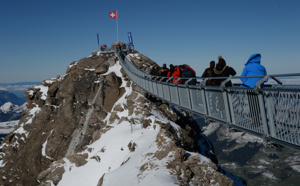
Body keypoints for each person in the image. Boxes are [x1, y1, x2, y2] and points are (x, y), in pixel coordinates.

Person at [241, 53, 267, 126]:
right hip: (260, 88)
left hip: (249, 88)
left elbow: (241, 77)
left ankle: (255, 121)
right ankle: (259, 119)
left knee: (252, 104)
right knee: (259, 104)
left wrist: (246, 82)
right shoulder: (262, 67)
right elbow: (266, 79)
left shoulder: (247, 67)